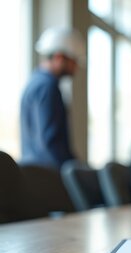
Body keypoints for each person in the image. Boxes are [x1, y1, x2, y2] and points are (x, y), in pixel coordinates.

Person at [20, 27, 85, 168]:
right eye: (74, 61)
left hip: (37, 173)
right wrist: (74, 170)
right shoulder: (47, 87)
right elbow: (50, 141)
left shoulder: (36, 82)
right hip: (46, 176)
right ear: (59, 57)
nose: (77, 67)